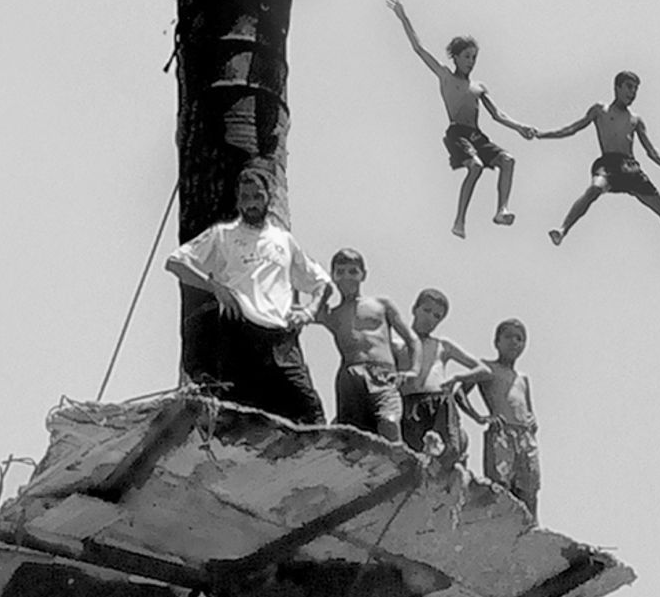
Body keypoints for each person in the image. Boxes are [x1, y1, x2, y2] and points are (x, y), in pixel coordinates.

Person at [163, 163, 329, 427]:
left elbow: (322, 282)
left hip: (281, 338)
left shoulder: (284, 240)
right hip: (240, 333)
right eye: (246, 197)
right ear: (239, 201)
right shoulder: (223, 236)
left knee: (310, 411)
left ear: (268, 198)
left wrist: (309, 310)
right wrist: (215, 287)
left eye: (257, 196)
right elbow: (176, 263)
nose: (251, 203)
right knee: (240, 414)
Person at [386, 0, 537, 238]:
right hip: (457, 133)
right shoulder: (446, 76)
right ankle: (459, 221)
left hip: (476, 135)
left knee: (508, 160)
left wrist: (520, 127)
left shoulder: (478, 87)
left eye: (474, 57)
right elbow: (419, 49)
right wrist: (403, 17)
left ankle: (501, 210)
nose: (471, 62)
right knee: (475, 166)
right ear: (455, 57)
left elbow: (497, 114)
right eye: (466, 56)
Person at [542, 73, 660, 270]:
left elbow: (651, 151)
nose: (632, 93)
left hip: (630, 168)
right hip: (609, 165)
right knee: (594, 189)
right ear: (617, 87)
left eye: (635, 89)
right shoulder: (600, 110)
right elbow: (572, 128)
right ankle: (562, 230)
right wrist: (543, 135)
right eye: (629, 87)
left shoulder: (635, 120)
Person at [315, 249, 416, 441]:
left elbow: (412, 340)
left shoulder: (381, 304)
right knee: (353, 435)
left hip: (382, 373)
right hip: (350, 375)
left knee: (389, 422)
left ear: (363, 275)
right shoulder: (333, 314)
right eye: (340, 272)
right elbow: (311, 313)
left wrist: (414, 370)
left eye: (353, 271)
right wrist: (324, 292)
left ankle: (397, 457)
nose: (347, 277)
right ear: (333, 276)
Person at [455, 322, 541, 519]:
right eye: (509, 337)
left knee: (529, 487)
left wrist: (533, 420)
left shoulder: (522, 378)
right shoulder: (487, 368)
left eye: (520, 338)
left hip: (525, 436)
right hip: (502, 432)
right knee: (501, 485)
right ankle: (500, 523)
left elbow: (527, 407)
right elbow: (459, 393)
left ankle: (530, 526)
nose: (514, 342)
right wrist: (479, 416)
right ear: (497, 342)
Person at [398, 292, 481, 464]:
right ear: (414, 309)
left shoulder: (442, 345)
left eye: (437, 316)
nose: (430, 318)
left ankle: (452, 466)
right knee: (414, 455)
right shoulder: (398, 344)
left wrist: (457, 378)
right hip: (410, 403)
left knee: (450, 449)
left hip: (438, 401)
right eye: (426, 310)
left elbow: (483, 370)